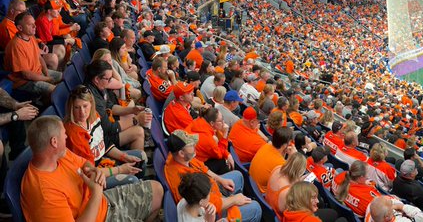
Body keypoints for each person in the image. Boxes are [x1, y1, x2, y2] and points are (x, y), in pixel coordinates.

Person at [21, 115, 164, 222]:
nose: (66, 136)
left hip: (100, 202)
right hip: (98, 212)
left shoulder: (59, 155)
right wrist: (96, 192)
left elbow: (84, 163)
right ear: (54, 142)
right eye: (64, 134)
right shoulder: (43, 193)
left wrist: (93, 170)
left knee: (157, 190)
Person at [165, 130, 261, 222]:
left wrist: (220, 180)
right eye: (191, 145)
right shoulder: (181, 179)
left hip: (212, 191)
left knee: (238, 175)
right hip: (211, 210)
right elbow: (205, 202)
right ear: (181, 153)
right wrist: (234, 200)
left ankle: (238, 200)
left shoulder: (183, 157)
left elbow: (204, 168)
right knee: (255, 207)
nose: (195, 146)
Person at [63, 88, 143, 188]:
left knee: (141, 157)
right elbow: (90, 171)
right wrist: (120, 169)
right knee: (132, 180)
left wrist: (123, 156)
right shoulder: (74, 133)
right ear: (71, 108)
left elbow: (104, 143)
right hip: (94, 177)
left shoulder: (94, 116)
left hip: (104, 160)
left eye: (85, 106)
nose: (82, 112)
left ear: (91, 104)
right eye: (77, 108)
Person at [5, 12, 62, 106]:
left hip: (37, 73)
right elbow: (26, 75)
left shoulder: (31, 37)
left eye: (34, 23)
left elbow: (39, 57)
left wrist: (47, 74)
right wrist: (47, 79)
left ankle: (44, 99)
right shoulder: (16, 45)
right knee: (55, 90)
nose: (34, 26)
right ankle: (43, 108)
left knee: (64, 77)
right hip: (24, 82)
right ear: (20, 28)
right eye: (30, 25)